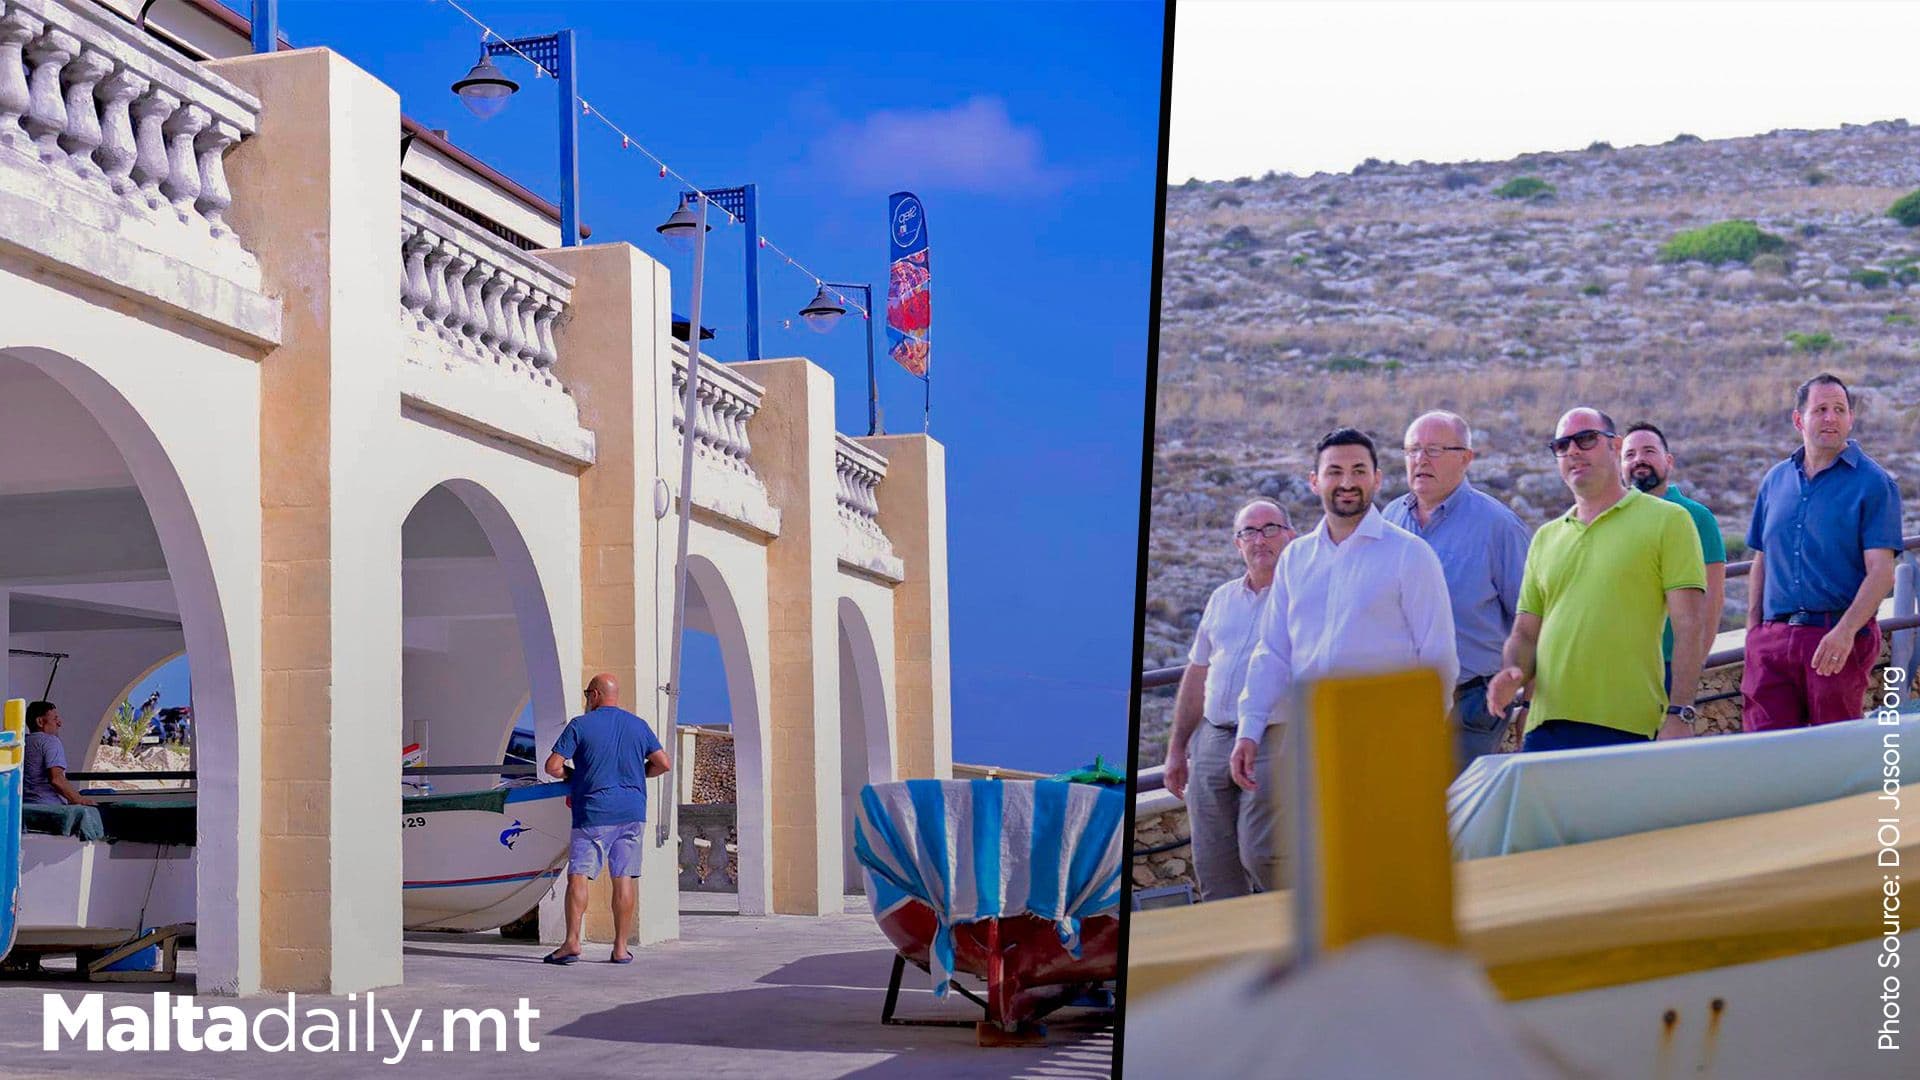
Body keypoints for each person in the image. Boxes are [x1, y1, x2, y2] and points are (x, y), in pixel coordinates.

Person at [1236, 428, 1458, 790]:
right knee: (1308, 848)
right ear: (1314, 481)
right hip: (1307, 744)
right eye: (1334, 472)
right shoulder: (1295, 557)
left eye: (1358, 470)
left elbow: (1438, 657)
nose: (1347, 482)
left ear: (1377, 479)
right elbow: (1273, 651)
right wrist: (1249, 728)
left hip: (1387, 745)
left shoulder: (1410, 555)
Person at [1489, 409, 1708, 751]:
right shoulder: (1546, 538)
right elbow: (1525, 633)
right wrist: (1511, 672)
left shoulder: (1670, 521)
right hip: (1546, 728)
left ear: (1615, 446)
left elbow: (1690, 624)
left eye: (1586, 439)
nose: (1573, 451)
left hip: (1629, 725)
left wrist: (1681, 712)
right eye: (1562, 445)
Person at [1741, 374, 1903, 731]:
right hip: (1772, 642)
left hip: (1834, 639)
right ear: (1799, 419)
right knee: (1763, 754)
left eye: (1839, 410)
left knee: (1833, 757)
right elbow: (1762, 558)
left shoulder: (1874, 484)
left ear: (1850, 419)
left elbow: (1881, 572)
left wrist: (1844, 633)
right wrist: (1754, 632)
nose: (1830, 417)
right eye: (1821, 409)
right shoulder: (1775, 481)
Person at [1163, 498, 1296, 899]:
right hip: (1213, 737)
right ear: (1237, 543)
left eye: (1270, 528)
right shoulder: (1221, 598)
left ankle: (1300, 936)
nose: (1260, 540)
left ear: (1291, 535)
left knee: (1262, 853)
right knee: (1212, 860)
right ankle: (1235, 952)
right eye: (1249, 532)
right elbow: (1197, 672)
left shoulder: (1304, 598)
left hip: (1276, 738)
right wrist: (1176, 749)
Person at [1383, 410, 1530, 772]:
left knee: (1455, 817)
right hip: (1396, 703)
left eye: (1434, 450)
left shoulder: (1499, 527)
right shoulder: (1388, 520)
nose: (1420, 460)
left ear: (1466, 458)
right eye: (1413, 450)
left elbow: (1531, 622)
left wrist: (1528, 700)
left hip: (1470, 706)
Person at [542, 673, 671, 965]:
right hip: (632, 812)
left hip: (593, 812)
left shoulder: (580, 725)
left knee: (579, 876)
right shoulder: (638, 726)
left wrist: (572, 776)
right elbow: (663, 763)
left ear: (596, 695)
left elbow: (552, 766)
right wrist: (640, 774)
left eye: (588, 692)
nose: (587, 698)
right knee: (623, 877)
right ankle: (620, 948)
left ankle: (572, 942)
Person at [1620, 422, 1727, 691]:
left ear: (1668, 461)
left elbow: (1712, 600)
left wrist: (1692, 668)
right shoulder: (1610, 518)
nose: (1639, 460)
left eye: (1648, 451)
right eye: (1629, 454)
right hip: (1619, 667)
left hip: (1670, 665)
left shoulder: (1698, 518)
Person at [22, 701, 97, 807]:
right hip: (50, 809)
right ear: (40, 722)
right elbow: (57, 779)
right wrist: (81, 800)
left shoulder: (21, 743)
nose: (59, 723)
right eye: (55, 719)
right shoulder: (50, 741)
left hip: (25, 809)